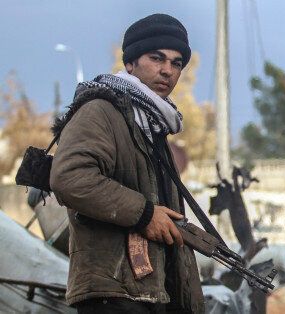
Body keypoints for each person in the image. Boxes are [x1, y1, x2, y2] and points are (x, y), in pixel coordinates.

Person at [50, 14, 204, 313]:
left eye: (176, 63)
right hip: (113, 292)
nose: (167, 71)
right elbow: (69, 177)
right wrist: (145, 214)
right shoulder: (100, 111)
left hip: (153, 293)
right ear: (131, 63)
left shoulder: (154, 124)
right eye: (157, 58)